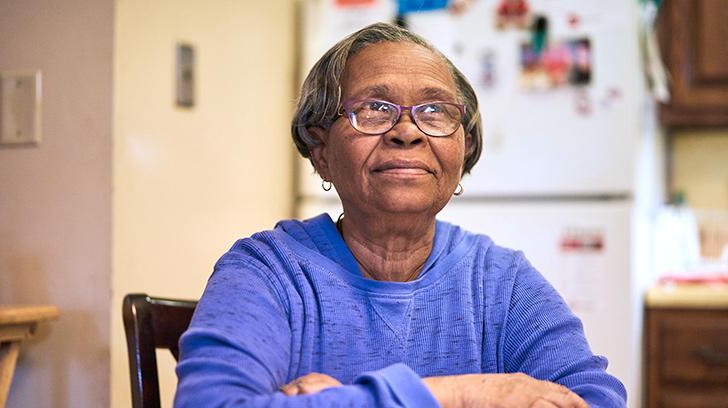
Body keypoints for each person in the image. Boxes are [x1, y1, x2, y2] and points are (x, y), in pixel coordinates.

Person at [174, 22, 626, 408]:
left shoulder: (501, 282)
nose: (407, 132)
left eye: (434, 111)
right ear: (320, 151)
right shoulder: (268, 271)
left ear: (463, 149)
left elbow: (592, 400)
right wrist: (463, 395)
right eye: (374, 109)